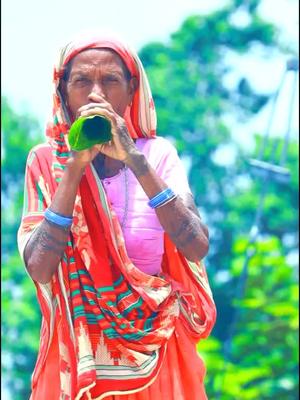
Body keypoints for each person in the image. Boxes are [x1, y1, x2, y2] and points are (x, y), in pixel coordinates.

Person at [18, 32, 216, 400]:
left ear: (130, 92)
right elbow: (40, 268)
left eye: (111, 80)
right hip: (77, 352)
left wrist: (135, 161)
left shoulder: (157, 156)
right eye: (82, 81)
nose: (97, 93)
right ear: (62, 92)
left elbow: (196, 245)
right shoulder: (46, 162)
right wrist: (75, 166)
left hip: (155, 350)